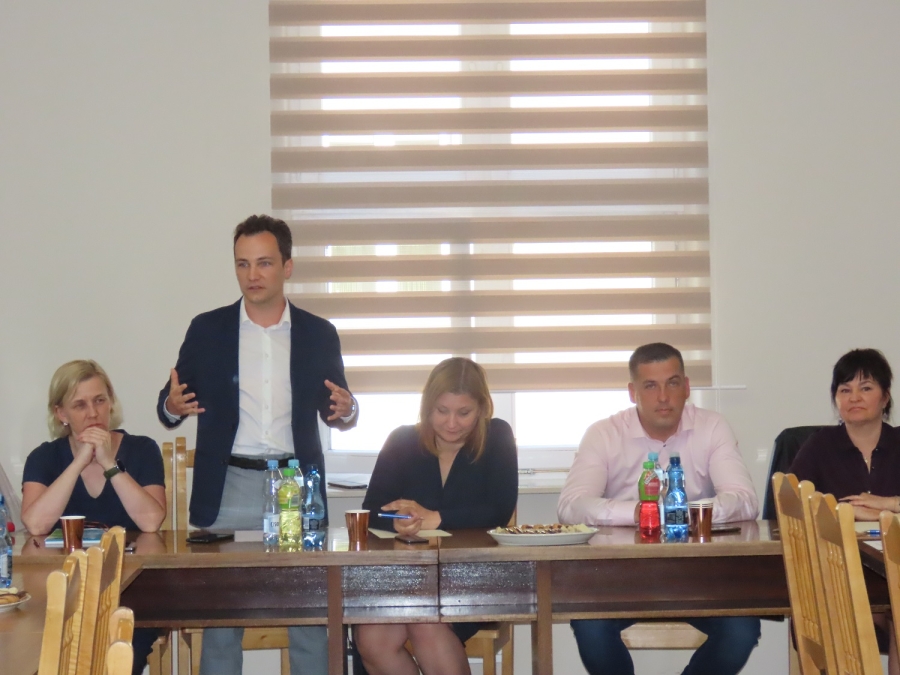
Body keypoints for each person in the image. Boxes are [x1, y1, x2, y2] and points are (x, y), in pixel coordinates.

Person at [156, 214, 357, 675]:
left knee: (307, 615)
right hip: (227, 481)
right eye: (242, 264)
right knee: (221, 620)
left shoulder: (318, 333)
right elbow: (170, 403)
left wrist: (348, 410)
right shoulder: (208, 329)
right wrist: (171, 405)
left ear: (287, 266)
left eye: (264, 263)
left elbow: (339, 406)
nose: (252, 275)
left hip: (291, 485)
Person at [558, 342, 760, 675]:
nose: (663, 397)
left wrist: (682, 512)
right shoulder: (604, 434)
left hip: (700, 571)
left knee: (742, 629)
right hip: (620, 573)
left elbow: (745, 500)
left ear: (687, 387)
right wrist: (640, 513)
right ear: (632, 392)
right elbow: (571, 506)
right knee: (589, 625)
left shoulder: (712, 426)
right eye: (651, 386)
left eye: (672, 383)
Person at [356, 357, 518, 675]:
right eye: (442, 411)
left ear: (482, 409)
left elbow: (499, 509)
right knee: (371, 639)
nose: (452, 423)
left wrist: (437, 518)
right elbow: (372, 509)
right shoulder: (402, 440)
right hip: (405, 576)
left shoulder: (497, 436)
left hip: (474, 574)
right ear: (427, 407)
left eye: (464, 413)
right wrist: (396, 521)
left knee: (425, 622)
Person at [22, 359, 166, 675]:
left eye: (100, 400)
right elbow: (35, 524)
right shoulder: (44, 457)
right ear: (61, 414)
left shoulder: (142, 449)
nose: (93, 413)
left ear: (111, 402)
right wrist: (78, 463)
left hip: (130, 597)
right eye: (80, 405)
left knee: (111, 663)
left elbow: (151, 521)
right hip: (63, 600)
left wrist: (109, 464)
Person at [790, 348, 899, 673]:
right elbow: (793, 508)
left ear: (885, 396)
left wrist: (888, 506)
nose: (854, 397)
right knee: (859, 610)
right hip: (836, 574)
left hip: (894, 572)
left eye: (866, 388)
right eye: (844, 389)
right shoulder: (818, 446)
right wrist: (842, 513)